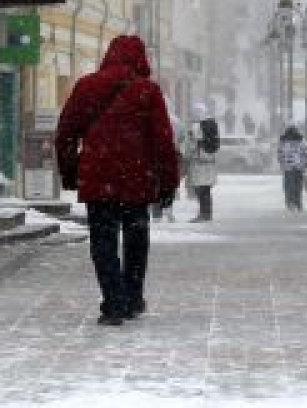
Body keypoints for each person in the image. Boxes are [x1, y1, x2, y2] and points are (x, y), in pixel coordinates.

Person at [56, 35, 179, 326]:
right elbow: (163, 142)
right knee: (136, 242)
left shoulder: (87, 87)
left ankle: (113, 302)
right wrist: (168, 183)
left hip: (99, 182)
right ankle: (133, 298)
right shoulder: (147, 92)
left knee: (103, 244)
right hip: (137, 182)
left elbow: (65, 134)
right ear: (140, 58)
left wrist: (71, 173)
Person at [181, 103, 219, 222]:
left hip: (198, 162)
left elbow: (192, 145)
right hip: (209, 162)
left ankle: (204, 214)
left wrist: (186, 156)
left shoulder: (197, 127)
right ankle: (207, 213)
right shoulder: (212, 125)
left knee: (200, 190)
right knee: (206, 190)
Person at [277, 126, 307, 212]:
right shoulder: (301, 141)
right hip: (299, 166)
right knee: (298, 186)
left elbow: (280, 154)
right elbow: (306, 153)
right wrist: (305, 163)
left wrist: (282, 163)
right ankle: (298, 202)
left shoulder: (283, 141)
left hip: (287, 167)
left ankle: (290, 202)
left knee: (288, 186)